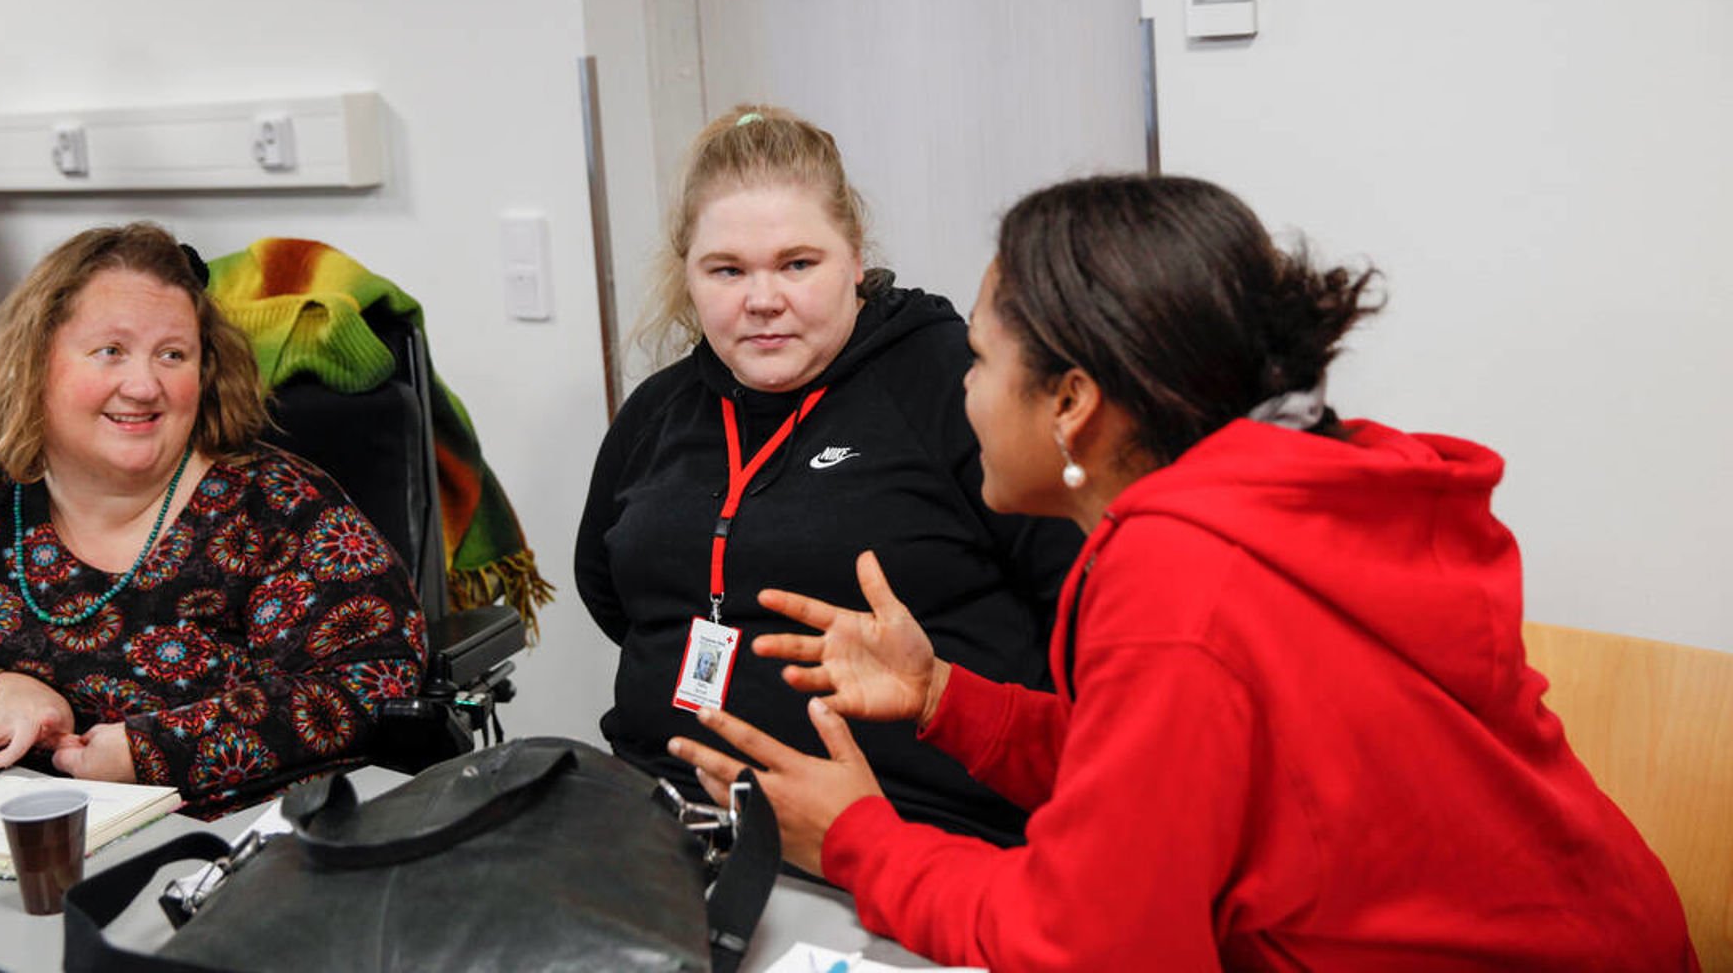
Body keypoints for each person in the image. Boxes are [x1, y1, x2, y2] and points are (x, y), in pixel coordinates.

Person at [670, 175, 1697, 969]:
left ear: (1071, 402)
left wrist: (856, 837)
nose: (964, 394)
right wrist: (945, 698)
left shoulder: (1180, 577)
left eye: (979, 363)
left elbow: (1086, 950)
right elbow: (1180, 775)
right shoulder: (1288, 491)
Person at [576, 105, 1080, 845]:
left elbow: (1074, 605)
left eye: (797, 264)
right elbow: (609, 592)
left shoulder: (954, 386)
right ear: (688, 274)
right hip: (666, 821)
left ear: (855, 256)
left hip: (911, 833)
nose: (762, 300)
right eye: (726, 271)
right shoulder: (659, 411)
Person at [0, 223, 426, 816]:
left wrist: (155, 752)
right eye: (110, 351)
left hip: (203, 855)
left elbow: (375, 680)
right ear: (37, 362)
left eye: (173, 354)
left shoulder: (276, 507)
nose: (144, 385)